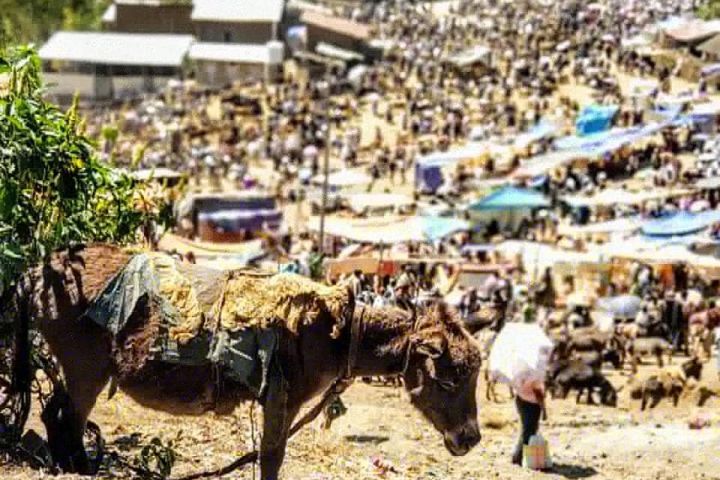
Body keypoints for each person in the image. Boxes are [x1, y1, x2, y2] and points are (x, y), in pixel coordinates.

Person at [512, 370, 547, 466]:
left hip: (520, 399)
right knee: (529, 430)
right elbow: (538, 392)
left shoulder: (519, 372)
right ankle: (518, 457)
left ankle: (519, 456)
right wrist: (544, 409)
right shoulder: (535, 374)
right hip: (531, 404)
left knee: (526, 429)